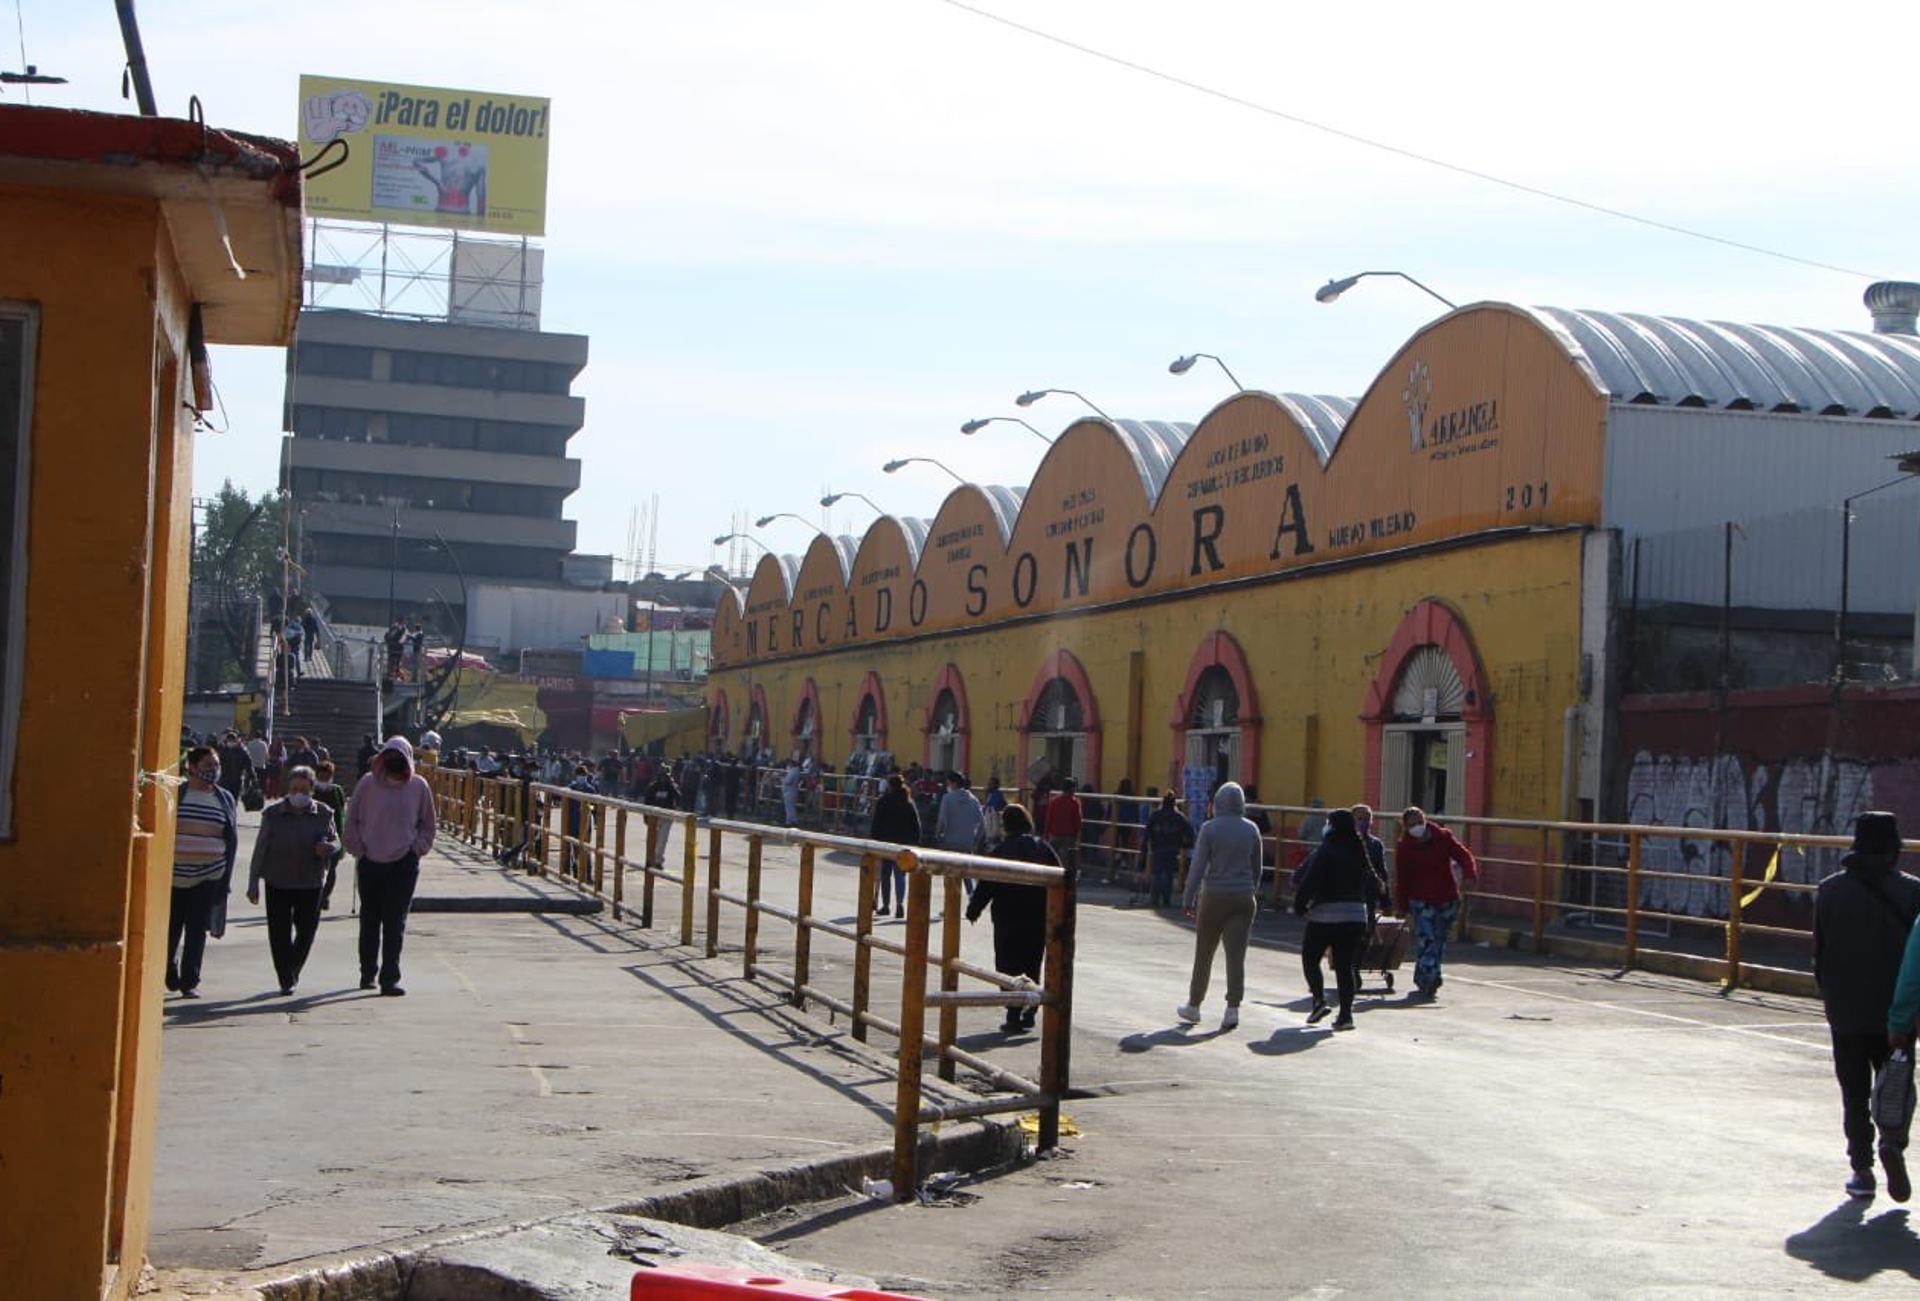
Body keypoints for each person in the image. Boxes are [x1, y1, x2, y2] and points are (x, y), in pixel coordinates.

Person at [1814, 810, 1920, 1201]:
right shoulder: (1913, 893)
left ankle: (1861, 1170)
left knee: (1853, 1092)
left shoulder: (1829, 890)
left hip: (1846, 1010)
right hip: (1897, 1013)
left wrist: (1832, 999)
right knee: (1896, 1088)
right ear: (1893, 852)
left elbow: (1819, 956)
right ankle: (1892, 1142)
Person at [344, 736, 438, 996]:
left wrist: (416, 850)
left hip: (403, 863)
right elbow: (351, 820)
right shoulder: (367, 783)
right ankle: (367, 973)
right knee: (370, 919)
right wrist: (357, 848)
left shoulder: (419, 786)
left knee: (395, 921)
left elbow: (429, 825)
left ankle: (390, 978)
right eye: (390, 759)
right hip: (370, 860)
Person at [1177, 781, 1264, 1031]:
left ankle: (1194, 1005)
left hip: (1214, 895)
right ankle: (1232, 1008)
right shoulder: (1252, 829)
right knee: (1236, 956)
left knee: (1204, 953)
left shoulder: (1209, 829)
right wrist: (1252, 888)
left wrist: (1188, 896)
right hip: (1244, 897)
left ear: (1217, 803)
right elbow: (1258, 867)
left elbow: (1198, 866)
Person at [966, 803, 1059, 1032]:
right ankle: (1031, 1006)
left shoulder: (1001, 850)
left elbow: (987, 884)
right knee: (1032, 962)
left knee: (1008, 964)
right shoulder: (1043, 848)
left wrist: (974, 909)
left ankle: (1013, 1013)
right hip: (1037, 917)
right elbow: (1060, 880)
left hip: (1007, 918)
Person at [246, 765, 337, 995]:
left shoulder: (325, 813)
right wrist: (253, 881)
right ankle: (285, 977)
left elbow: (336, 842)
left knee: (307, 931)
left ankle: (293, 967)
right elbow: (260, 848)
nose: (299, 793)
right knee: (279, 933)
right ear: (288, 788)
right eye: (295, 788)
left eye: (304, 789)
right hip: (278, 880)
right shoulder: (273, 814)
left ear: (312, 790)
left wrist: (328, 848)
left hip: (311, 881)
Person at [1292, 809, 1386, 1031]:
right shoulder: (1360, 849)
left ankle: (1319, 1000)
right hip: (1355, 915)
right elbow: (1374, 879)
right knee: (1345, 966)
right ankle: (1346, 1016)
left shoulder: (1326, 849)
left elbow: (1310, 880)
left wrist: (1299, 906)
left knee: (1310, 957)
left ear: (1332, 826)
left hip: (1326, 914)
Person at [167, 746, 239, 998]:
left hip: (209, 874)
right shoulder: (177, 793)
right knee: (171, 927)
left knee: (197, 929)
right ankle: (168, 970)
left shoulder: (225, 798)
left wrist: (225, 877)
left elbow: (231, 838)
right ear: (193, 767)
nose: (213, 770)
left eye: (216, 765)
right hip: (174, 875)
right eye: (208, 765)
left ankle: (190, 980)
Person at [1395, 806, 1479, 998]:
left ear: (1425, 820)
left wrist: (1469, 874)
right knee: (1428, 938)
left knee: (1438, 939)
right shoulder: (1405, 847)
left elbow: (1464, 856)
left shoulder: (1443, 837)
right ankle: (1430, 977)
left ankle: (1425, 975)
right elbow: (1403, 879)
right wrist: (1401, 906)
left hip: (1447, 897)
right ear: (1405, 827)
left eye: (1419, 822)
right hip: (1421, 900)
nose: (1416, 827)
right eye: (1411, 824)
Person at [869, 772, 921, 919]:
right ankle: (900, 904)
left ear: (890, 786)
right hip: (903, 843)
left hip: (886, 843)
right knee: (900, 875)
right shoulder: (908, 802)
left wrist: (874, 840)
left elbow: (876, 823)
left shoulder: (884, 801)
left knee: (885, 875)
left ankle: (885, 905)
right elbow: (916, 824)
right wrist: (916, 842)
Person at [934, 771, 987, 894]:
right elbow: (982, 823)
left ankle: (950, 904)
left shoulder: (947, 798)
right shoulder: (973, 800)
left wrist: (938, 835)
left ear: (953, 783)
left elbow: (942, 819)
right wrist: (975, 840)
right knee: (966, 873)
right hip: (967, 842)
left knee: (950, 874)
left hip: (950, 841)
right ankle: (971, 897)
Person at [1145, 791, 1195, 909]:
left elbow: (1147, 833)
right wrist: (1186, 845)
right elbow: (1190, 833)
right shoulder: (1179, 817)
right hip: (1173, 848)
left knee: (1157, 872)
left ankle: (1155, 898)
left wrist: (1145, 847)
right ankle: (1166, 899)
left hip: (1158, 847)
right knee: (1169, 874)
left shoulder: (1155, 815)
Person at [312, 759, 348, 910]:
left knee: (332, 869)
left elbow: (342, 812)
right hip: (314, 836)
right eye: (322, 776)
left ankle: (325, 896)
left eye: (328, 776)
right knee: (316, 869)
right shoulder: (311, 790)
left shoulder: (337, 791)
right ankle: (316, 895)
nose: (325, 779)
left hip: (334, 836)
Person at [1044, 778, 1084, 872]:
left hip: (1054, 835)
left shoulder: (1054, 801)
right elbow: (1077, 821)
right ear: (1072, 789)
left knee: (1053, 858)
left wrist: (1046, 834)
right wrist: (1077, 835)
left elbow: (1049, 819)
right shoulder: (1074, 802)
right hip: (1069, 836)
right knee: (1067, 860)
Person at [781, 759, 803, 827]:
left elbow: (788, 781)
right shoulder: (795, 771)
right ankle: (789, 820)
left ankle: (792, 821)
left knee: (789, 807)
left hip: (790, 791)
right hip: (791, 790)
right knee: (789, 807)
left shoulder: (793, 771)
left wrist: (783, 780)